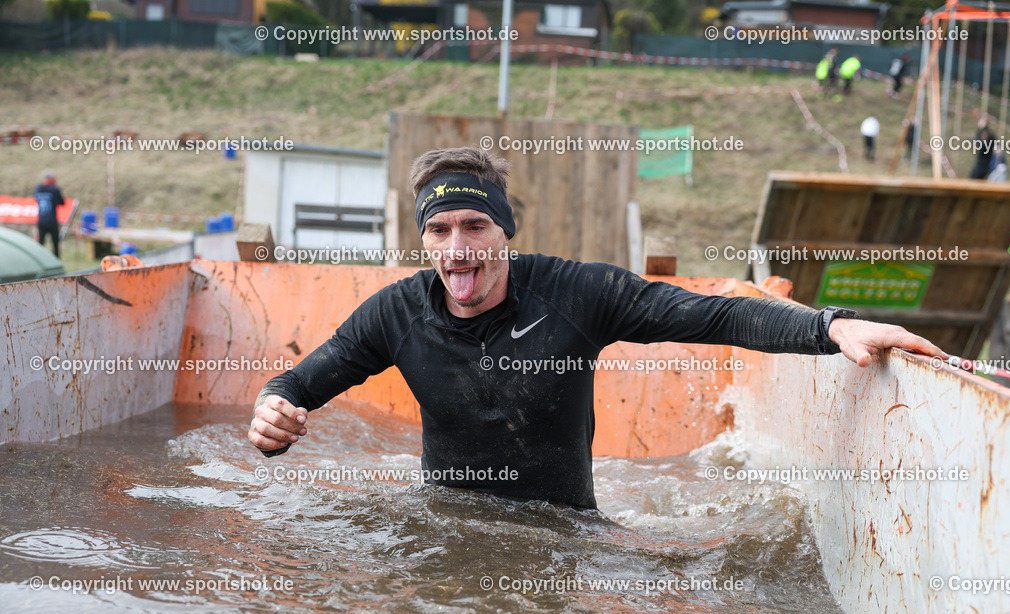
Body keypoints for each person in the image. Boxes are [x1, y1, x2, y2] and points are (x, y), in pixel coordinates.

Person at [248, 147, 946, 510]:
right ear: (425, 239)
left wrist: (832, 325)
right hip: (448, 524)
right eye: (439, 229)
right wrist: (273, 413)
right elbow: (300, 380)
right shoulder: (397, 312)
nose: (457, 246)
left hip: (567, 532)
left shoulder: (575, 293)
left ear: (504, 232)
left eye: (474, 225)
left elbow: (715, 312)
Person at [34, 170, 66, 258]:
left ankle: (39, 260)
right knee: (55, 243)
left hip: (41, 220)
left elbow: (36, 199)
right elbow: (62, 202)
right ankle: (56, 260)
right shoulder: (54, 190)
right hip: (52, 221)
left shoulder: (38, 189)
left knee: (40, 243)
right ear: (50, 179)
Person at [969, 115, 996, 180]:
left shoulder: (987, 133)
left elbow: (980, 144)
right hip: (982, 163)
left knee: (973, 180)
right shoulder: (986, 133)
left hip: (983, 165)